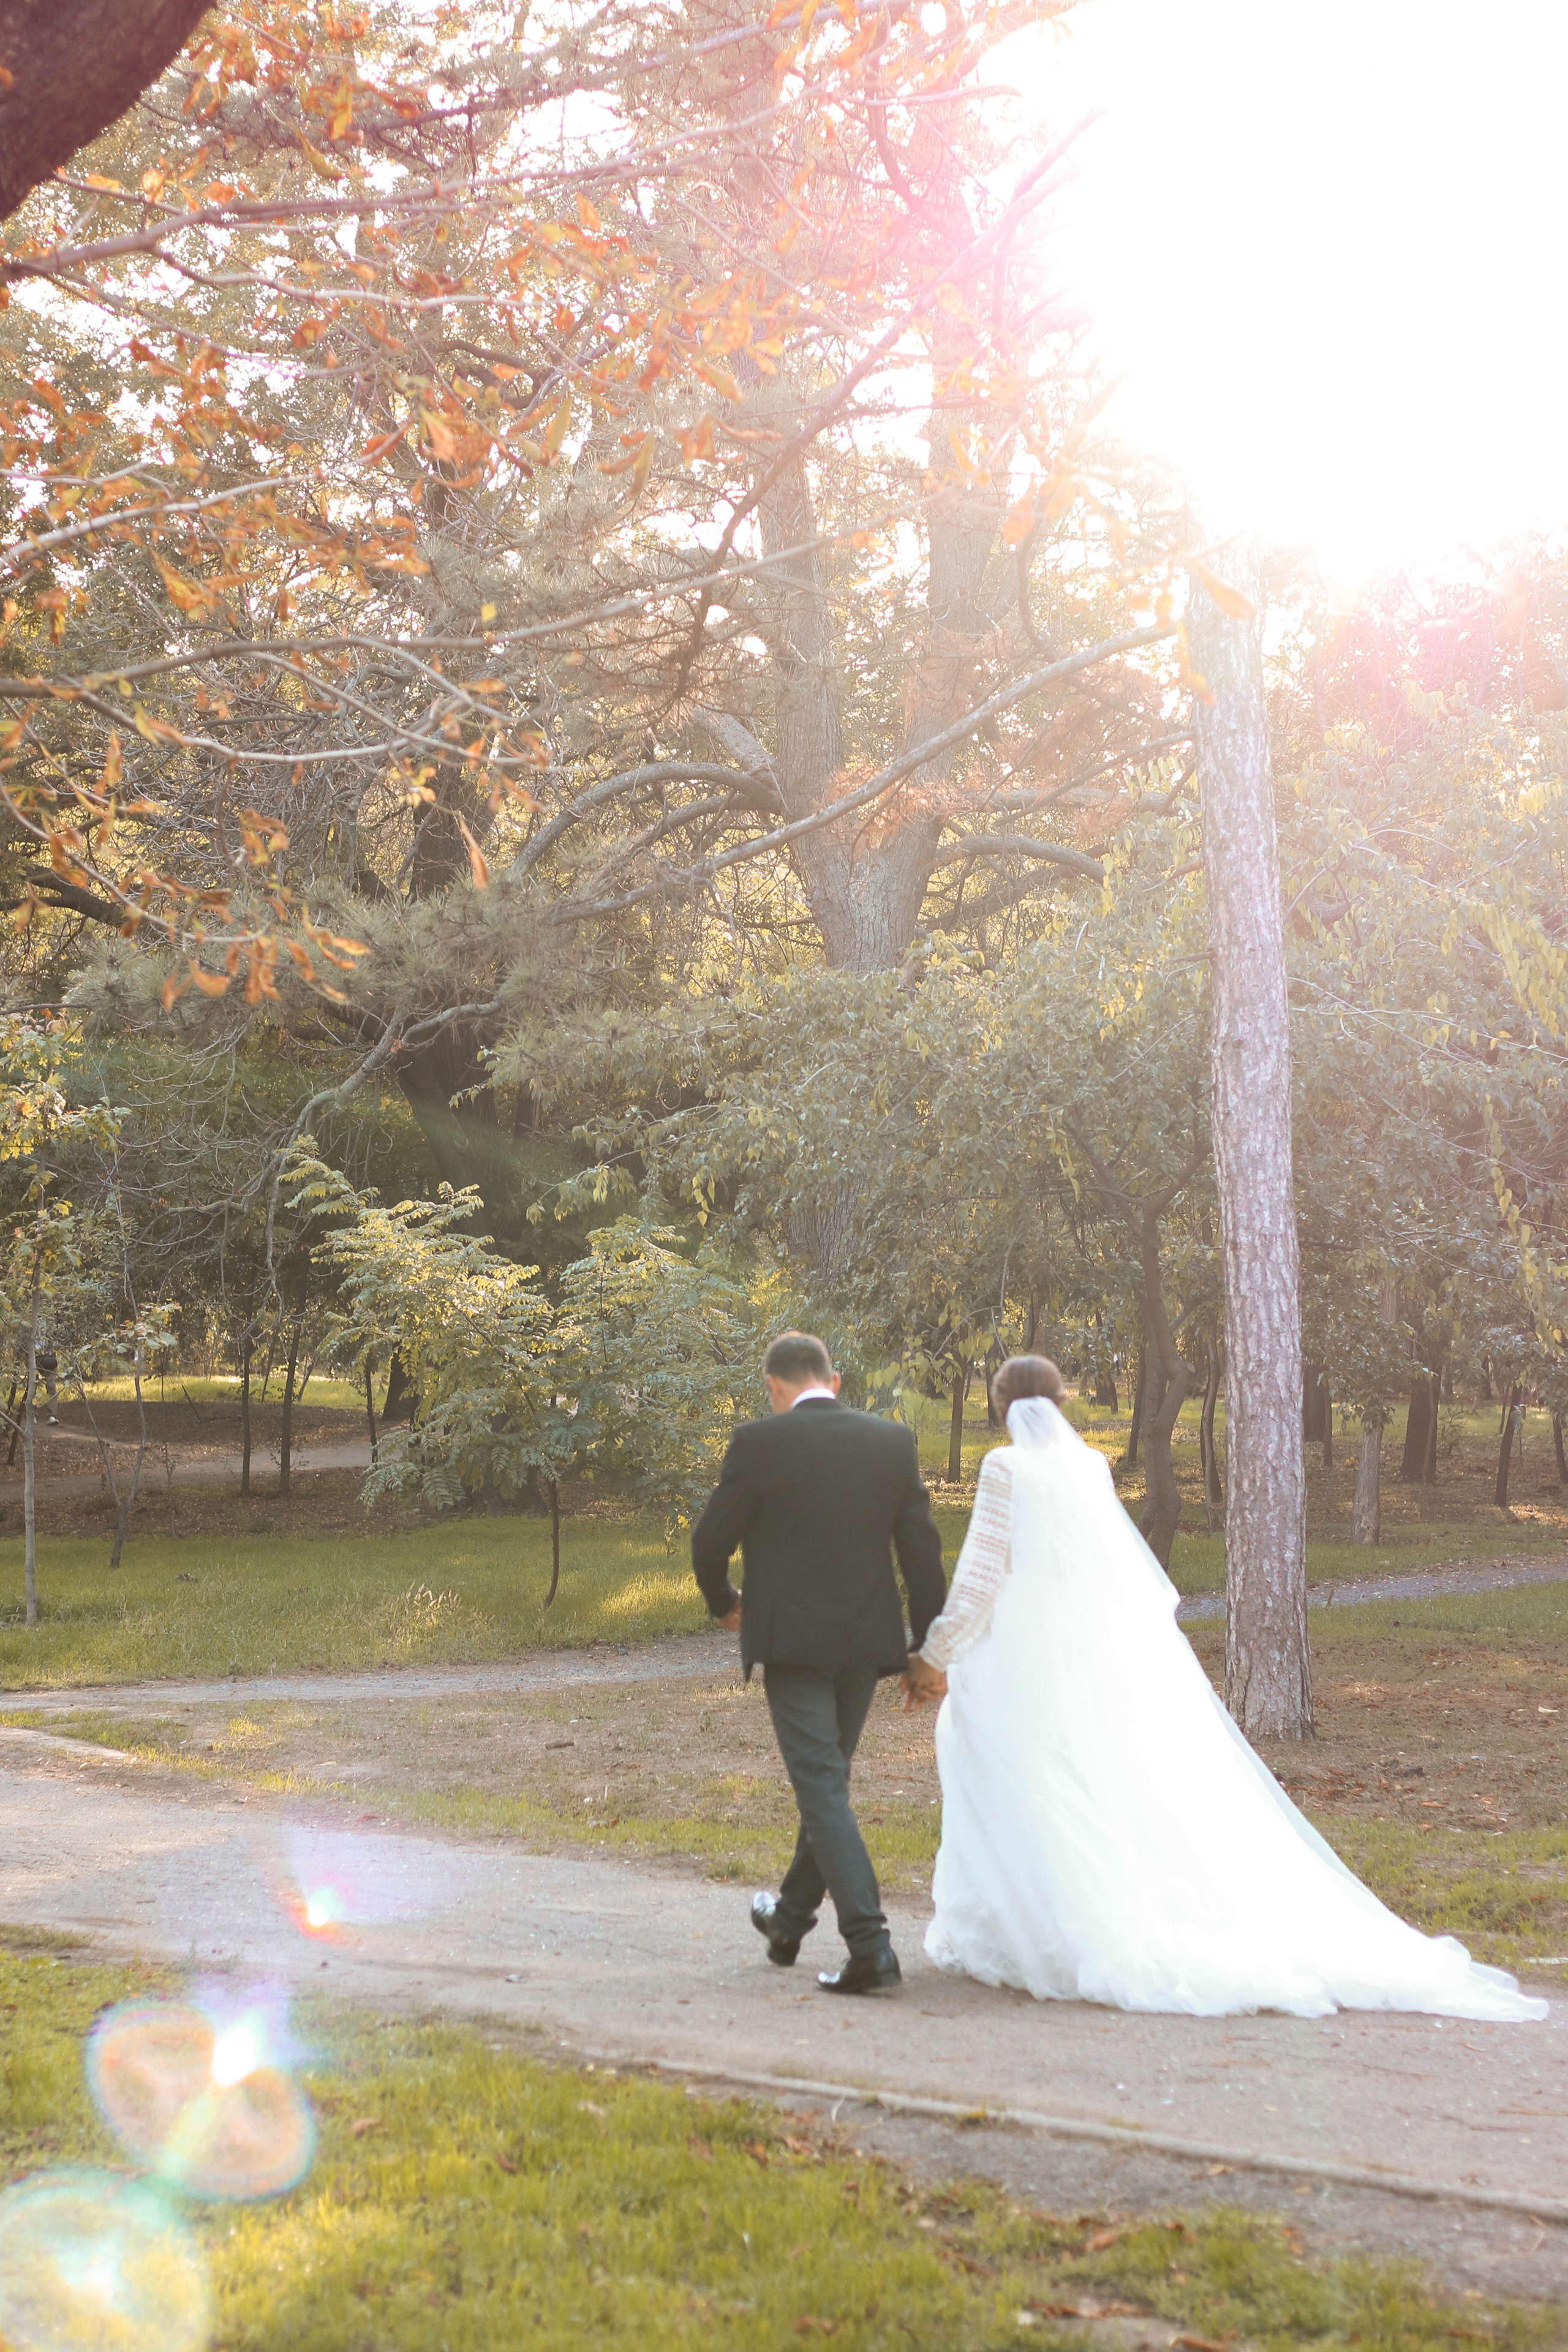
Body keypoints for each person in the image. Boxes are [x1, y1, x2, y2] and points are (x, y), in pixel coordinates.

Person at [903, 1354, 1547, 2022]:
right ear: (1062, 1401)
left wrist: (934, 1656)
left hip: (1023, 1645)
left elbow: (980, 1577)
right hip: (1087, 1640)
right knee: (1089, 1774)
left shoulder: (1005, 1468)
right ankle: (1058, 1917)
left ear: (1002, 1403)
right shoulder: (1090, 1465)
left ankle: (1029, 1928)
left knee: (1024, 1774)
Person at [692, 1331, 946, 1995]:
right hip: (867, 1645)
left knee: (821, 1787)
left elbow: (708, 1542)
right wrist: (924, 1645)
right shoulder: (891, 1443)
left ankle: (871, 1947)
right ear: (831, 1381)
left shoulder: (758, 1443)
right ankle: (789, 1918)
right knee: (826, 1781)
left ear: (774, 1387)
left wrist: (723, 1603)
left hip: (794, 1646)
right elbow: (922, 1556)